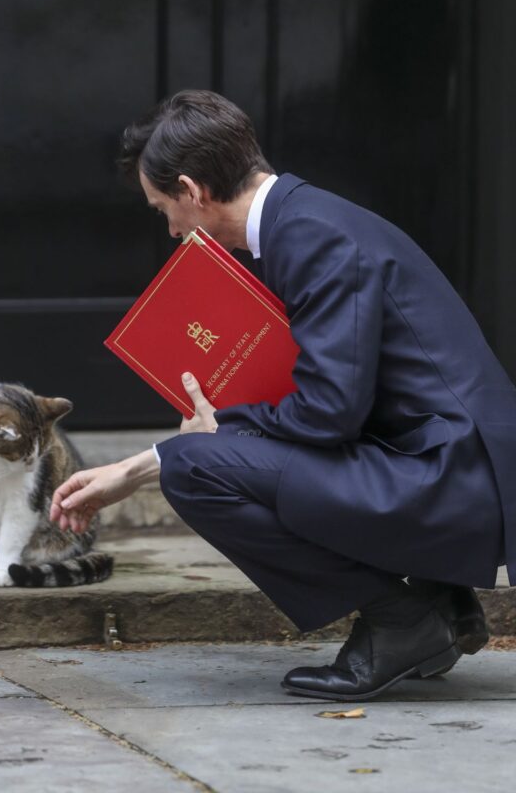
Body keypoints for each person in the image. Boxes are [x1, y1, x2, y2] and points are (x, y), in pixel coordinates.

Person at [51, 89, 516, 702]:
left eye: (164, 208)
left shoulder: (312, 236)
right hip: (446, 466)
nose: (169, 230)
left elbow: (328, 413)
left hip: (453, 479)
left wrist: (168, 456)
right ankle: (433, 600)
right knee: (195, 457)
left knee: (193, 471)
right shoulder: (303, 221)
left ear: (193, 191)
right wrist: (156, 459)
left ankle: (403, 623)